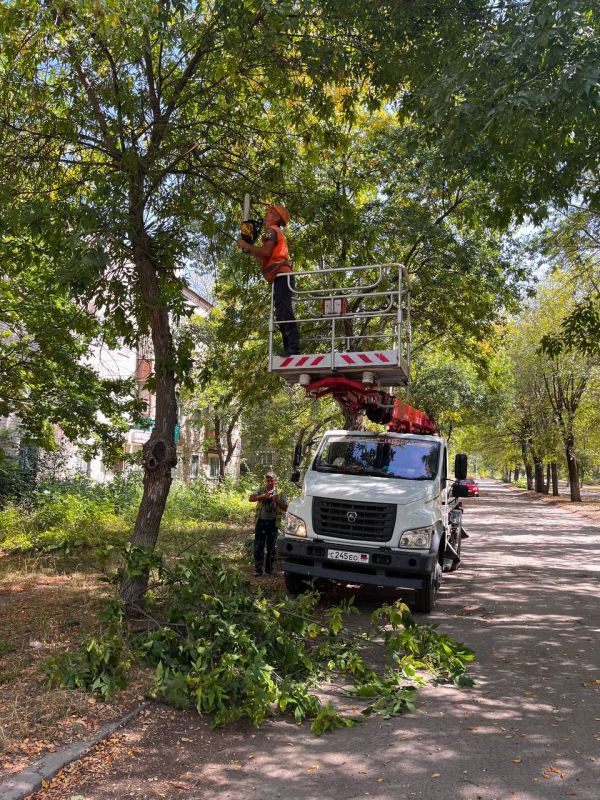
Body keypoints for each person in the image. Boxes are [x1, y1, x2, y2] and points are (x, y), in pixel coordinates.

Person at [237, 204, 300, 356]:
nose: (265, 217)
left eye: (269, 214)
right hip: (280, 277)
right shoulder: (275, 233)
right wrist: (250, 249)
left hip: (282, 276)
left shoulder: (272, 231)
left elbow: (265, 253)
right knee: (281, 314)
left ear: (277, 218)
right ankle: (289, 349)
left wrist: (247, 245)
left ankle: (293, 348)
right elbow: (264, 259)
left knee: (284, 312)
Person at [249, 471, 288, 576]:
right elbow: (251, 498)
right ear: (265, 480)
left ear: (275, 480)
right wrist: (263, 496)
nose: (269, 482)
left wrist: (277, 501)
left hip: (273, 523)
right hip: (261, 521)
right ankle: (258, 570)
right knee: (258, 546)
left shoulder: (280, 492)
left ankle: (269, 569)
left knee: (271, 547)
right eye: (268, 480)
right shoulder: (261, 489)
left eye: (271, 480)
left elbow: (286, 508)